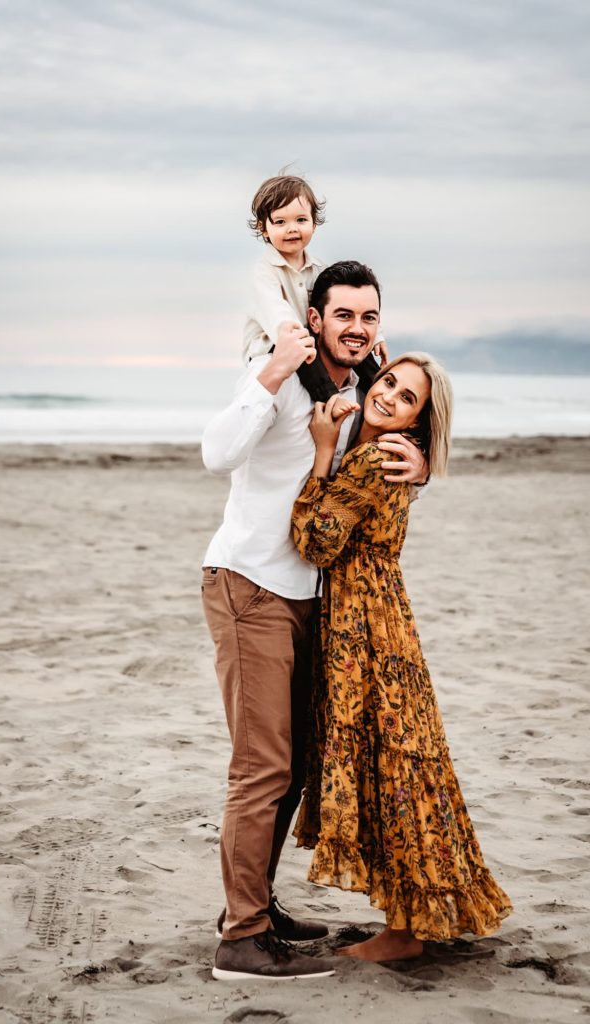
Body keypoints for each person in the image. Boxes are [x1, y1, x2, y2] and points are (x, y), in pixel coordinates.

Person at [201, 262, 429, 981]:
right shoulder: (275, 378)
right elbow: (215, 453)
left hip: (309, 596)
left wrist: (419, 465)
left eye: (368, 317)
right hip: (249, 583)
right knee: (261, 769)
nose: (356, 329)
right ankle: (240, 938)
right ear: (315, 318)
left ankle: (257, 909)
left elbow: (409, 412)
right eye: (342, 316)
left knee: (295, 765)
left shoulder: (359, 389)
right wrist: (270, 372)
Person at [291, 354, 513, 962]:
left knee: (389, 766)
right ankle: (411, 918)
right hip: (387, 621)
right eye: (387, 382)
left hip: (365, 628)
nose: (388, 396)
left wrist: (319, 451)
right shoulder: (391, 455)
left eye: (407, 397)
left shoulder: (370, 458)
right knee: (399, 763)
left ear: (418, 421)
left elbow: (313, 542)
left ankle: (403, 934)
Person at [243, 173, 388, 399]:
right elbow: (275, 311)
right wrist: (295, 335)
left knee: (360, 353)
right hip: (273, 345)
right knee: (303, 349)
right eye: (280, 222)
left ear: (314, 224)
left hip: (308, 338)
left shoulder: (318, 268)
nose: (292, 229)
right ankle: (329, 399)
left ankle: (381, 393)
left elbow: (347, 302)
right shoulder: (264, 272)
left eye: (301, 220)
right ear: (264, 228)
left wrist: (376, 335)